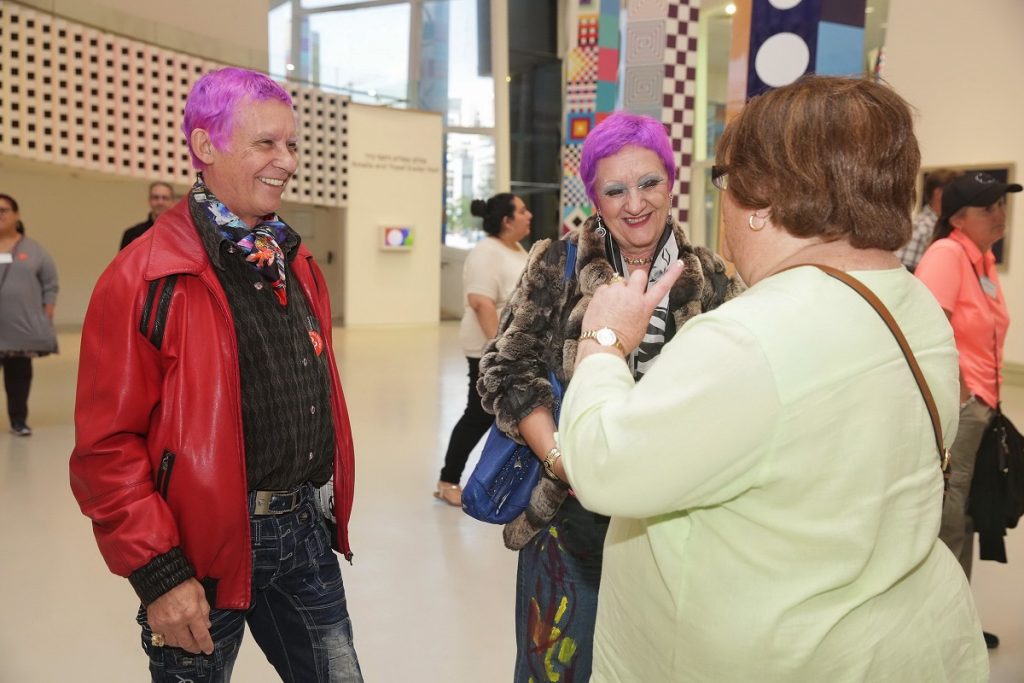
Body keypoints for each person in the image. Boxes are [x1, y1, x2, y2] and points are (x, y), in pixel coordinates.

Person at [556, 76, 989, 681]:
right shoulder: (910, 305)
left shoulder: (749, 338)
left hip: (762, 655)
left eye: (725, 182)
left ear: (759, 201)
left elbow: (602, 465)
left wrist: (604, 341)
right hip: (889, 642)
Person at [70, 68, 363, 682]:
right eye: (265, 144)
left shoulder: (295, 260)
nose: (286, 161)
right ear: (206, 147)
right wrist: (160, 574)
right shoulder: (142, 278)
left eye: (292, 144)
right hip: (199, 552)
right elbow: (107, 449)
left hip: (305, 535)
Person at [477, 112, 740, 681]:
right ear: (593, 196)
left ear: (672, 183)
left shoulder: (714, 279)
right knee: (556, 666)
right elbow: (506, 369)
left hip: (673, 524)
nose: (635, 204)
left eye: (649, 183)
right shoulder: (557, 264)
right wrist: (561, 460)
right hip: (569, 518)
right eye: (615, 190)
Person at [916, 170, 1020, 650]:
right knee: (950, 519)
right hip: (962, 410)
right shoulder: (946, 254)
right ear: (957, 218)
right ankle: (938, 629)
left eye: (1002, 204)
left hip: (983, 406)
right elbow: (929, 332)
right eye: (988, 208)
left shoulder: (982, 258)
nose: (1000, 215)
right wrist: (961, 397)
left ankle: (956, 622)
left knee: (969, 516)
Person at [435, 193, 530, 506]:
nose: (529, 215)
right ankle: (448, 480)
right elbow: (481, 302)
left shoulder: (516, 248)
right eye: (522, 210)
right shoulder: (486, 252)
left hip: (515, 348)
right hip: (488, 349)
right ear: (506, 220)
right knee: (478, 414)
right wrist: (498, 350)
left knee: (516, 414)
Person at [0, 193, 59, 437]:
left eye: (4, 210)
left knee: (18, 378)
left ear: (16, 215)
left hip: (19, 332)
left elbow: (50, 284)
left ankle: (18, 421)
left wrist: (46, 316)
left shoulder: (34, 250)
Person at [895, 168, 958, 272]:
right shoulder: (920, 228)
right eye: (955, 192)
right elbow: (905, 272)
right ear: (938, 193)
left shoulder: (948, 225)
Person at [120, 181, 175, 249]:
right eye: (155, 197)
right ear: (149, 201)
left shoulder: (179, 235)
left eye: (165, 198)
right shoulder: (132, 234)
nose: (160, 202)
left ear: (172, 202)